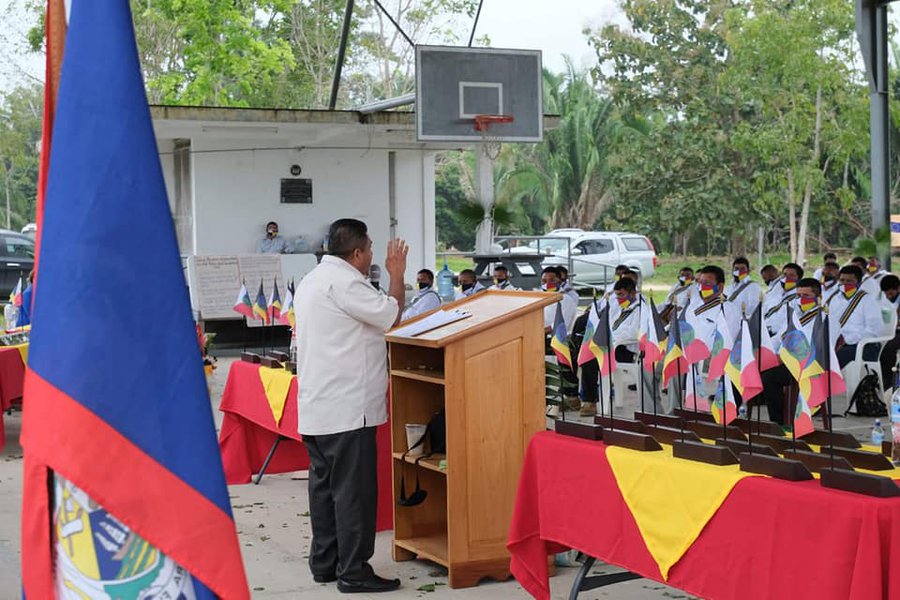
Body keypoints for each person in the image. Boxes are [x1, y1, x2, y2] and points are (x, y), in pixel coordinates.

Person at [295, 218, 405, 593]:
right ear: (357, 253)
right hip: (347, 407)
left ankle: (325, 563)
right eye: (371, 249)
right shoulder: (346, 283)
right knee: (353, 493)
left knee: (324, 491)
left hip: (318, 405)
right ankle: (354, 570)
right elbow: (391, 314)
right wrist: (397, 275)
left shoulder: (312, 279)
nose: (373, 255)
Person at [760, 278, 827, 424]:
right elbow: (779, 337)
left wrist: (782, 358)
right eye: (798, 296)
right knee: (748, 365)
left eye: (806, 296)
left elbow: (812, 346)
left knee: (769, 378)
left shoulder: (824, 317)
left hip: (810, 365)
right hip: (788, 360)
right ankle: (731, 414)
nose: (801, 300)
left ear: (818, 297)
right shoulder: (796, 314)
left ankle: (780, 423)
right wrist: (764, 350)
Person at [828, 264, 884, 368]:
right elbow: (831, 324)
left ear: (859, 282)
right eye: (842, 280)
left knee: (837, 357)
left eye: (849, 281)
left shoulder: (868, 300)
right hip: (837, 344)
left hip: (863, 346)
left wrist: (848, 339)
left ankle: (835, 384)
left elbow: (874, 331)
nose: (845, 284)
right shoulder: (835, 299)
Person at [879, 274, 900, 389]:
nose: (887, 296)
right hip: (889, 331)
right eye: (885, 293)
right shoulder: (884, 300)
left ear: (898, 289)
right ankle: (884, 381)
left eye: (890, 293)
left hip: (897, 332)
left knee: (887, 350)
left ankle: (888, 384)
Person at [542, 267, 577, 333]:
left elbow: (561, 325)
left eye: (551, 280)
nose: (547, 284)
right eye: (544, 281)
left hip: (555, 338)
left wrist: (539, 332)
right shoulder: (538, 296)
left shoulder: (566, 300)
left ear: (559, 281)